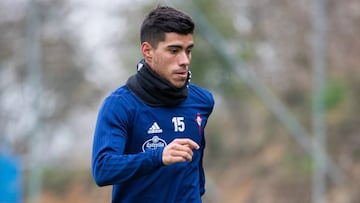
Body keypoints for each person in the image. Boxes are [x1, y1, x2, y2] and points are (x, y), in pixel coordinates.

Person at [91, 5, 214, 203]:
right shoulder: (120, 105)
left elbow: (195, 170)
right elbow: (103, 169)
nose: (184, 60)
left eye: (188, 50)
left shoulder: (202, 101)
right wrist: (158, 156)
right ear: (148, 51)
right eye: (174, 50)